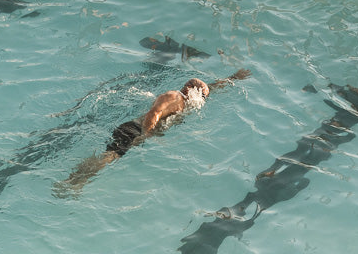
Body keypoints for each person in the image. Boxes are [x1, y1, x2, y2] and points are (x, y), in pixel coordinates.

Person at [58, 69, 251, 195]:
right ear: (190, 89)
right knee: (110, 156)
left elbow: (211, 88)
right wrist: (146, 134)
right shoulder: (174, 96)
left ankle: (77, 180)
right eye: (202, 96)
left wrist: (232, 78)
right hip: (134, 129)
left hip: (138, 131)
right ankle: (72, 182)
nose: (202, 100)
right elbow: (154, 112)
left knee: (111, 156)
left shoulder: (185, 101)